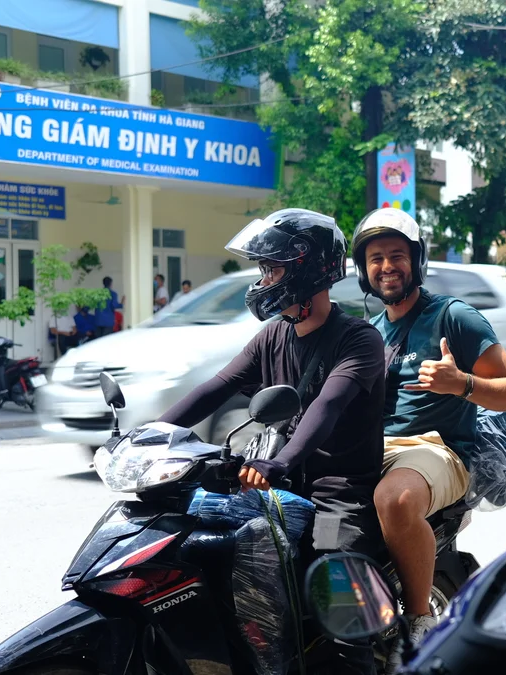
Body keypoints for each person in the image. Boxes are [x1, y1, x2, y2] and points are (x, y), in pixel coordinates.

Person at [158, 208, 385, 675]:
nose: (263, 281)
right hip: (279, 483)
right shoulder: (273, 335)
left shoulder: (359, 340)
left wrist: (279, 463)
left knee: (336, 583)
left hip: (337, 489)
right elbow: (216, 389)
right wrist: (153, 434)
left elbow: (328, 405)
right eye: (263, 269)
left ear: (306, 270)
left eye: (272, 269)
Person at [349, 208, 506, 669]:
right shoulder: (370, 332)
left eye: (396, 255)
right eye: (375, 258)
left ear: (416, 260)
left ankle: (419, 620)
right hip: (377, 450)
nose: (386, 266)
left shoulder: (454, 317)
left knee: (394, 500)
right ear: (364, 270)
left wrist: (461, 384)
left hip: (437, 450)